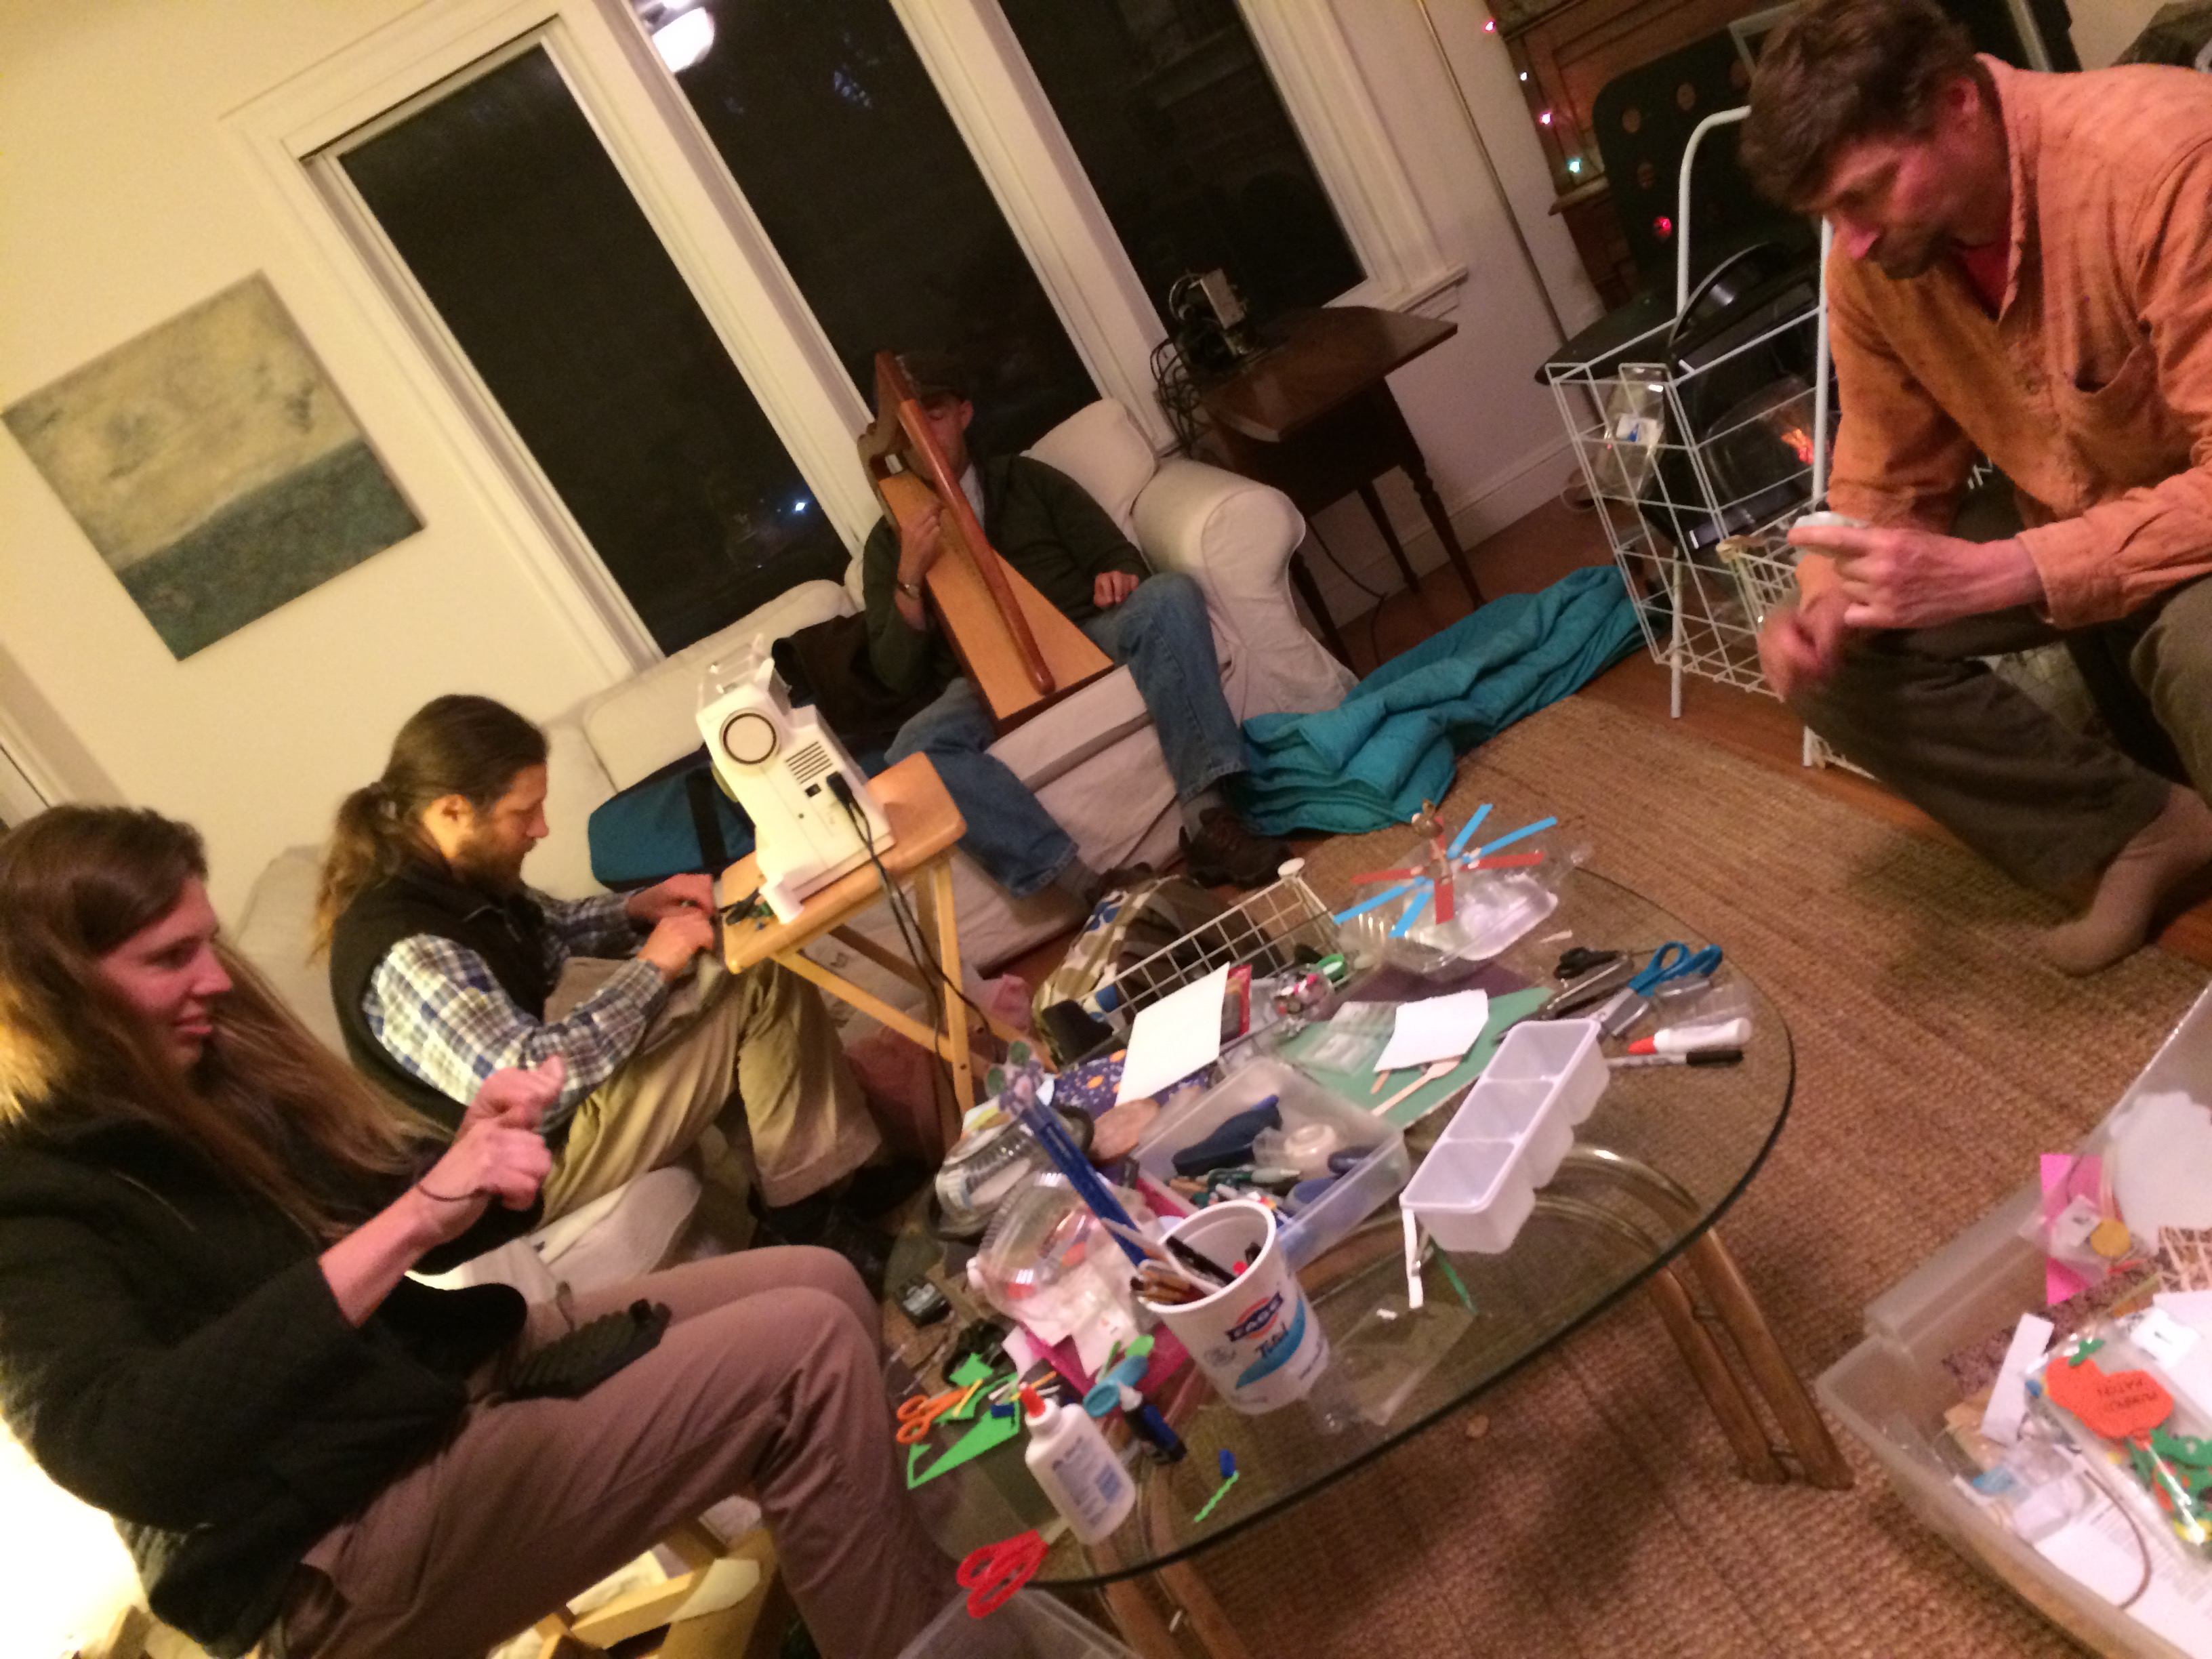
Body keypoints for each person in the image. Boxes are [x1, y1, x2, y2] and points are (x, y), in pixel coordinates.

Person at [0, 806, 951, 1659]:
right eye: (170, 958)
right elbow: (129, 1451)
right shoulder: (31, 1194)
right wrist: (414, 1218)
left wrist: (482, 1159)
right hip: (329, 1539)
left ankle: (910, 1594)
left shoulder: (199, 1083)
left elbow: (410, 1213)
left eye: (208, 944)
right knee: (804, 1352)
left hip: (428, 1388)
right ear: (54, 988)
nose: (215, 979)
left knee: (820, 1280)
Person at [1740, 0, 2212, 974]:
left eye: (1867, 193)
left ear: (1958, 103)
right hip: (2070, 505)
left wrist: (2010, 570)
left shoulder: (2165, 163)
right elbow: (1884, 466)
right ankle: (2142, 827)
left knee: (2207, 647)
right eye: (1829, 214)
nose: (1849, 241)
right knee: (1840, 657)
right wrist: (1825, 601)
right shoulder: (1877, 257)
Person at [317, 694, 897, 1251]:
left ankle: (819, 1186)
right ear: (452, 811)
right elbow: (535, 1088)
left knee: (733, 950)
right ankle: (809, 1217)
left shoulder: (451, 874)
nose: (541, 829)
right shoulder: (408, 949)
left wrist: (638, 908)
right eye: (524, 812)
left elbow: (548, 927)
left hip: (542, 1135)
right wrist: (653, 967)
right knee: (754, 977)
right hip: (521, 1178)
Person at [864, 350, 1290, 901]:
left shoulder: (1027, 480)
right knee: (912, 751)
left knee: (1170, 595)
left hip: (1085, 633)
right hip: (979, 686)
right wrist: (910, 578)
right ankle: (1086, 887)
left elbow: (1118, 555)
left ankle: (1209, 821)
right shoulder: (889, 543)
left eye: (936, 414)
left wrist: (1117, 576)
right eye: (908, 427)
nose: (923, 435)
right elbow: (895, 674)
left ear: (965, 414)